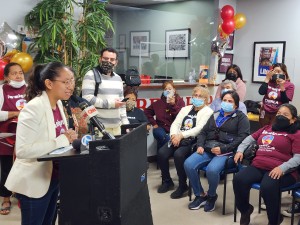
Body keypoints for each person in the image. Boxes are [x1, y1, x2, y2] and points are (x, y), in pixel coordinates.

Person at [5, 62, 78, 225]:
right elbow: (23, 150)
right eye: (66, 82)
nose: (71, 86)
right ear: (49, 83)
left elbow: (60, 139)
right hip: (34, 182)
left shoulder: (59, 103)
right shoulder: (33, 109)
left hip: (53, 177)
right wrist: (63, 139)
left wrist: (71, 139)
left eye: (72, 81)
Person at [233, 103, 300, 225]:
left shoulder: (296, 134)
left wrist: (282, 168)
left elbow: (298, 158)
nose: (280, 116)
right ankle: (245, 210)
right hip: (259, 165)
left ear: (293, 120)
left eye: (285, 115)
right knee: (239, 179)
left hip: (283, 170)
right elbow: (249, 139)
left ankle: (274, 220)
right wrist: (240, 150)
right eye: (279, 113)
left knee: (268, 186)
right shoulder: (266, 128)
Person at [184, 91, 250, 212]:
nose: (226, 103)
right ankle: (200, 195)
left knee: (212, 170)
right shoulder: (214, 115)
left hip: (227, 152)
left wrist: (224, 148)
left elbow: (243, 138)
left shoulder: (241, 118)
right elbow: (203, 132)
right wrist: (200, 145)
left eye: (230, 101)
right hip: (208, 148)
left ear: (236, 105)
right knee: (188, 164)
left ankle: (211, 196)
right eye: (224, 100)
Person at [157, 86, 213, 199]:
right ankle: (167, 181)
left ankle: (183, 185)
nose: (196, 98)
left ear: (206, 99)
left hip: (193, 140)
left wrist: (181, 135)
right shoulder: (185, 109)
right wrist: (173, 135)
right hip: (177, 137)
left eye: (200, 96)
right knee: (162, 153)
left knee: (179, 155)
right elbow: (175, 124)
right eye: (195, 95)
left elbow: (199, 129)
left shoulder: (208, 111)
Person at [81, 47, 129, 136]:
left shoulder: (118, 79)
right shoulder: (91, 75)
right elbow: (87, 99)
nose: (108, 62)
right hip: (99, 129)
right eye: (105, 59)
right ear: (100, 59)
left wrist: (125, 124)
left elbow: (121, 104)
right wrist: (111, 104)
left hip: (117, 128)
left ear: (116, 62)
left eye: (112, 59)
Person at [0, 62, 26, 215]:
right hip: (6, 137)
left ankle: (22, 195)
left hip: (25, 137)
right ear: (7, 76)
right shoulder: (2, 90)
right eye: (14, 73)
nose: (18, 76)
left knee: (24, 167)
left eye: (21, 72)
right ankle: (5, 198)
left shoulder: (30, 88)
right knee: (7, 168)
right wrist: (15, 114)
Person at [144, 81, 185, 150]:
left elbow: (180, 117)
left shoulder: (180, 102)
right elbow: (146, 112)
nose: (167, 91)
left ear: (174, 90)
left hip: (175, 128)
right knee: (160, 134)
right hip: (161, 128)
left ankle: (162, 155)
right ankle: (168, 149)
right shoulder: (158, 103)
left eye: (169, 89)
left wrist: (173, 105)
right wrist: (153, 123)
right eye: (165, 89)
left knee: (167, 138)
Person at [258, 63, 294, 127]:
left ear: (284, 73)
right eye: (275, 71)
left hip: (278, 113)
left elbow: (285, 101)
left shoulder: (290, 85)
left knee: (274, 130)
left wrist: (282, 87)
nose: (277, 74)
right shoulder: (269, 82)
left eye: (279, 72)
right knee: (263, 130)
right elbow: (261, 92)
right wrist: (267, 78)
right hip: (265, 111)